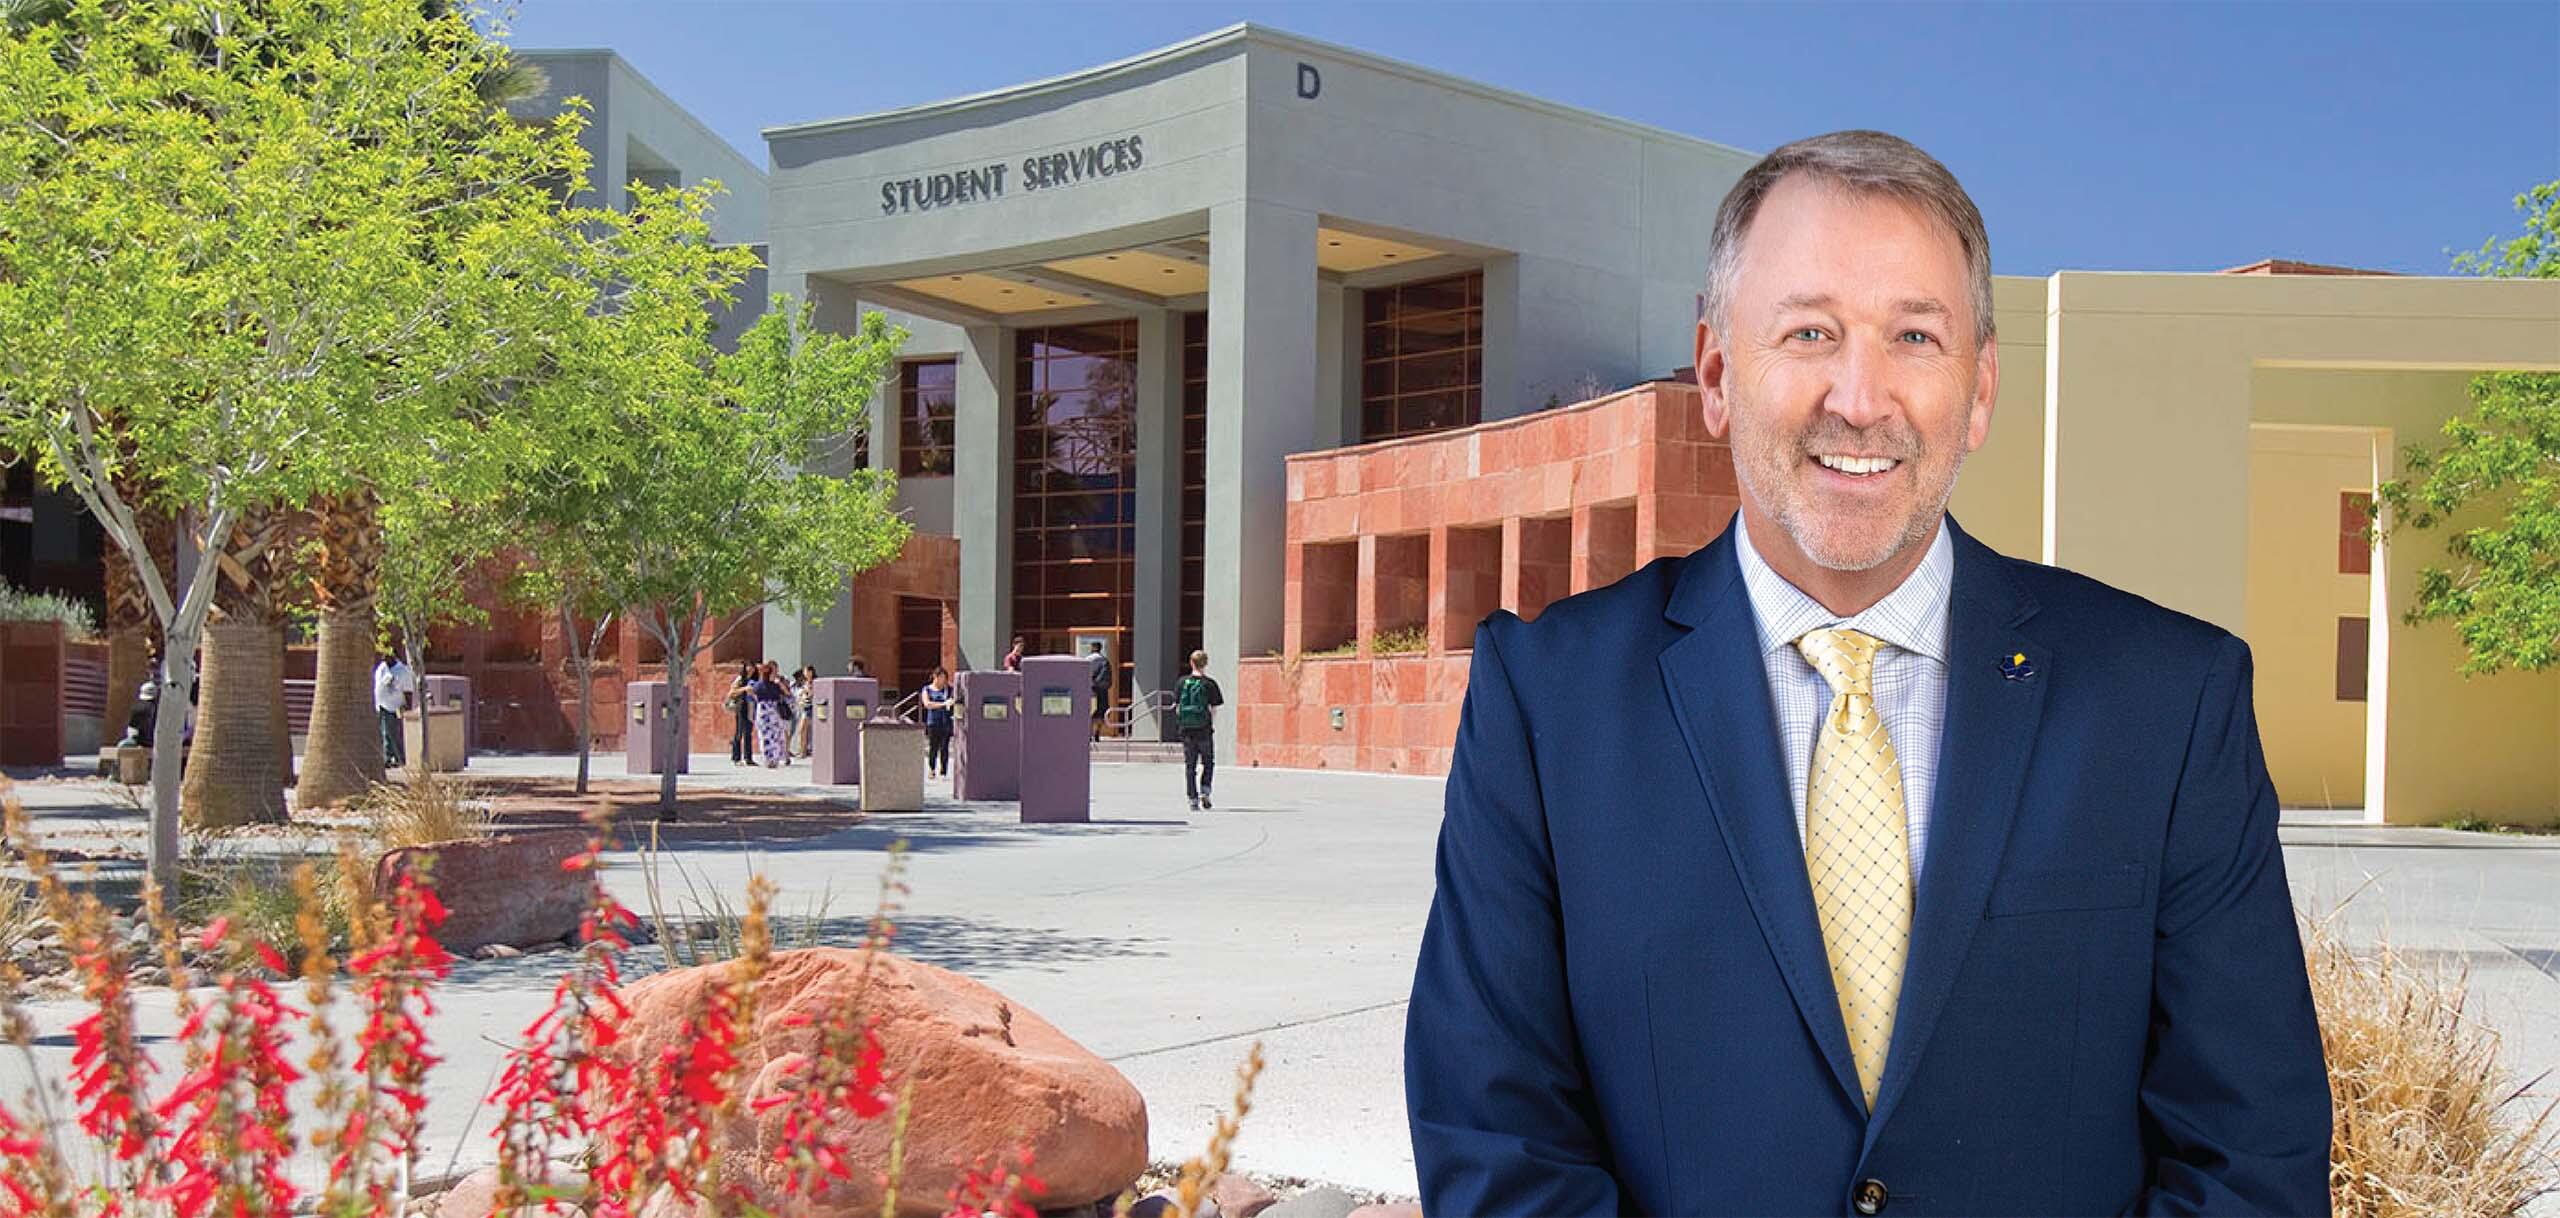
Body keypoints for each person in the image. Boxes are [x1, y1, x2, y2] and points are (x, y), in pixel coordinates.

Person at [1404, 131, 2329, 1218]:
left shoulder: (2169, 703)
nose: (1859, 396)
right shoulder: (1546, 703)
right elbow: (1494, 1141)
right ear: (1714, 373)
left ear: (1978, 390)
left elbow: (2249, 1160)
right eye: (1808, 332)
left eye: (1913, 337)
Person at [1173, 650, 1222, 812]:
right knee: (1208, 762)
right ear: (1205, 663)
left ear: (1191, 662)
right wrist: (1210, 724)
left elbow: (1178, 708)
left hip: (1187, 730)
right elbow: (1214, 709)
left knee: (1190, 766)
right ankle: (1205, 791)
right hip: (1204, 729)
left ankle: (1192, 798)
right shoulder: (1210, 684)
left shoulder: (1182, 682)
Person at [371, 648, 415, 769]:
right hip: (380, 706)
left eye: (387, 654)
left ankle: (396, 757)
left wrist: (406, 708)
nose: (384, 657)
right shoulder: (382, 667)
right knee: (384, 733)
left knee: (391, 733)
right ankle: (389, 757)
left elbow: (408, 691)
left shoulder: (403, 671)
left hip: (394, 706)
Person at [750, 661, 791, 768]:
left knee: (764, 737)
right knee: (775, 736)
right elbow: (786, 694)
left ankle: (768, 759)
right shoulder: (775, 686)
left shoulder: (758, 685)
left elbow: (753, 694)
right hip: (774, 713)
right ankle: (775, 759)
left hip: (763, 713)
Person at [920, 665, 956, 778]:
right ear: (935, 677)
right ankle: (932, 769)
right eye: (940, 677)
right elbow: (927, 704)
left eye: (944, 678)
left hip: (946, 721)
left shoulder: (949, 690)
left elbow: (955, 700)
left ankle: (944, 771)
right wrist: (943, 704)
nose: (943, 680)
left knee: (944, 747)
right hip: (933, 722)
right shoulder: (927, 689)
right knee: (933, 746)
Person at [725, 662, 757, 765]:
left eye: (752, 667)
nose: (750, 669)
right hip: (741, 707)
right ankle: (736, 757)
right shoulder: (740, 679)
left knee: (748, 732)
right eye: (748, 667)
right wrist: (744, 689)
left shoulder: (756, 680)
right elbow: (731, 693)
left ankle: (748, 758)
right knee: (739, 732)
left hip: (751, 707)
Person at [1085, 641, 1112, 740]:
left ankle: (1089, 733)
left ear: (1092, 648)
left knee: (1090, 713)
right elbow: (1107, 679)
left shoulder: (1086, 661)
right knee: (1101, 713)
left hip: (1089, 692)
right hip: (1102, 692)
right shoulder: (1105, 661)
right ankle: (1097, 733)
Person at [789, 664, 817, 758]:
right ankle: (802, 750)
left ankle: (804, 751)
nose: (805, 673)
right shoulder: (805, 683)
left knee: (803, 729)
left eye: (807, 671)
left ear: (811, 672)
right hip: (804, 707)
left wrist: (807, 692)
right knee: (803, 730)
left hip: (811, 708)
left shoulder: (814, 682)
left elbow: (812, 694)